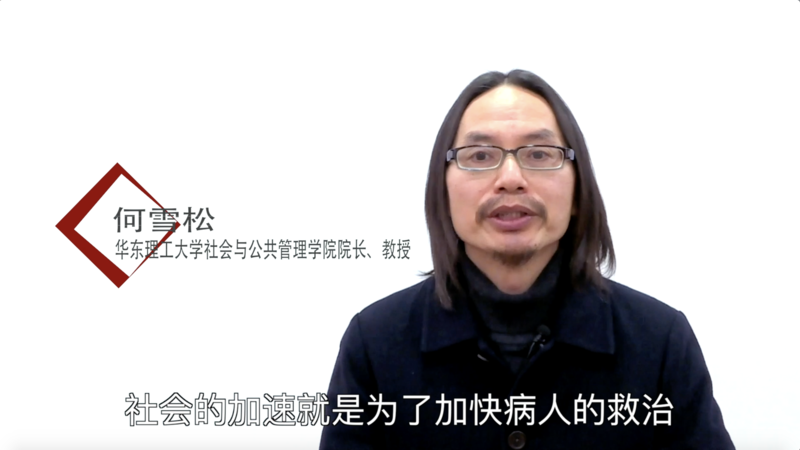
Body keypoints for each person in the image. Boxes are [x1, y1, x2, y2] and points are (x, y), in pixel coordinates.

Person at [319, 69, 734, 449]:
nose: (511, 179)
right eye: (480, 156)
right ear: (443, 192)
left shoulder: (660, 342)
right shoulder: (374, 343)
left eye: (538, 154)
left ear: (577, 191)